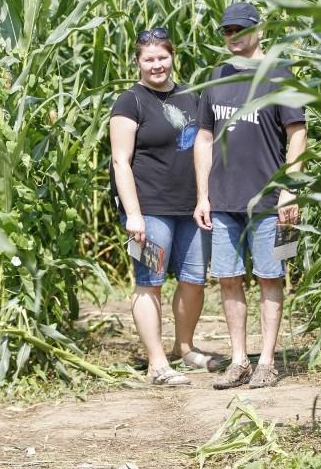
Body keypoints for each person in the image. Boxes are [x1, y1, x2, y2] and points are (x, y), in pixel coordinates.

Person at [193, 2, 307, 389]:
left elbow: (297, 135)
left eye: (241, 29)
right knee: (227, 279)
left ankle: (269, 362)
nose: (234, 37)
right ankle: (240, 360)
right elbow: (204, 138)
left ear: (259, 30)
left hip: (273, 202)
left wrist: (292, 190)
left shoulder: (278, 73)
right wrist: (203, 195)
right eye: (227, 31)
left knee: (271, 276)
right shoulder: (217, 76)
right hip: (224, 202)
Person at [109, 27, 217, 386]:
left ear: (173, 57)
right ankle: (157, 365)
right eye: (149, 59)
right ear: (138, 62)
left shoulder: (190, 96)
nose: (157, 65)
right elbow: (120, 162)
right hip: (149, 210)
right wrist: (134, 214)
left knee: (193, 282)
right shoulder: (130, 101)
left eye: (163, 57)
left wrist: (205, 197)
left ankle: (183, 348)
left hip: (190, 208)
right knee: (149, 282)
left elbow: (204, 147)